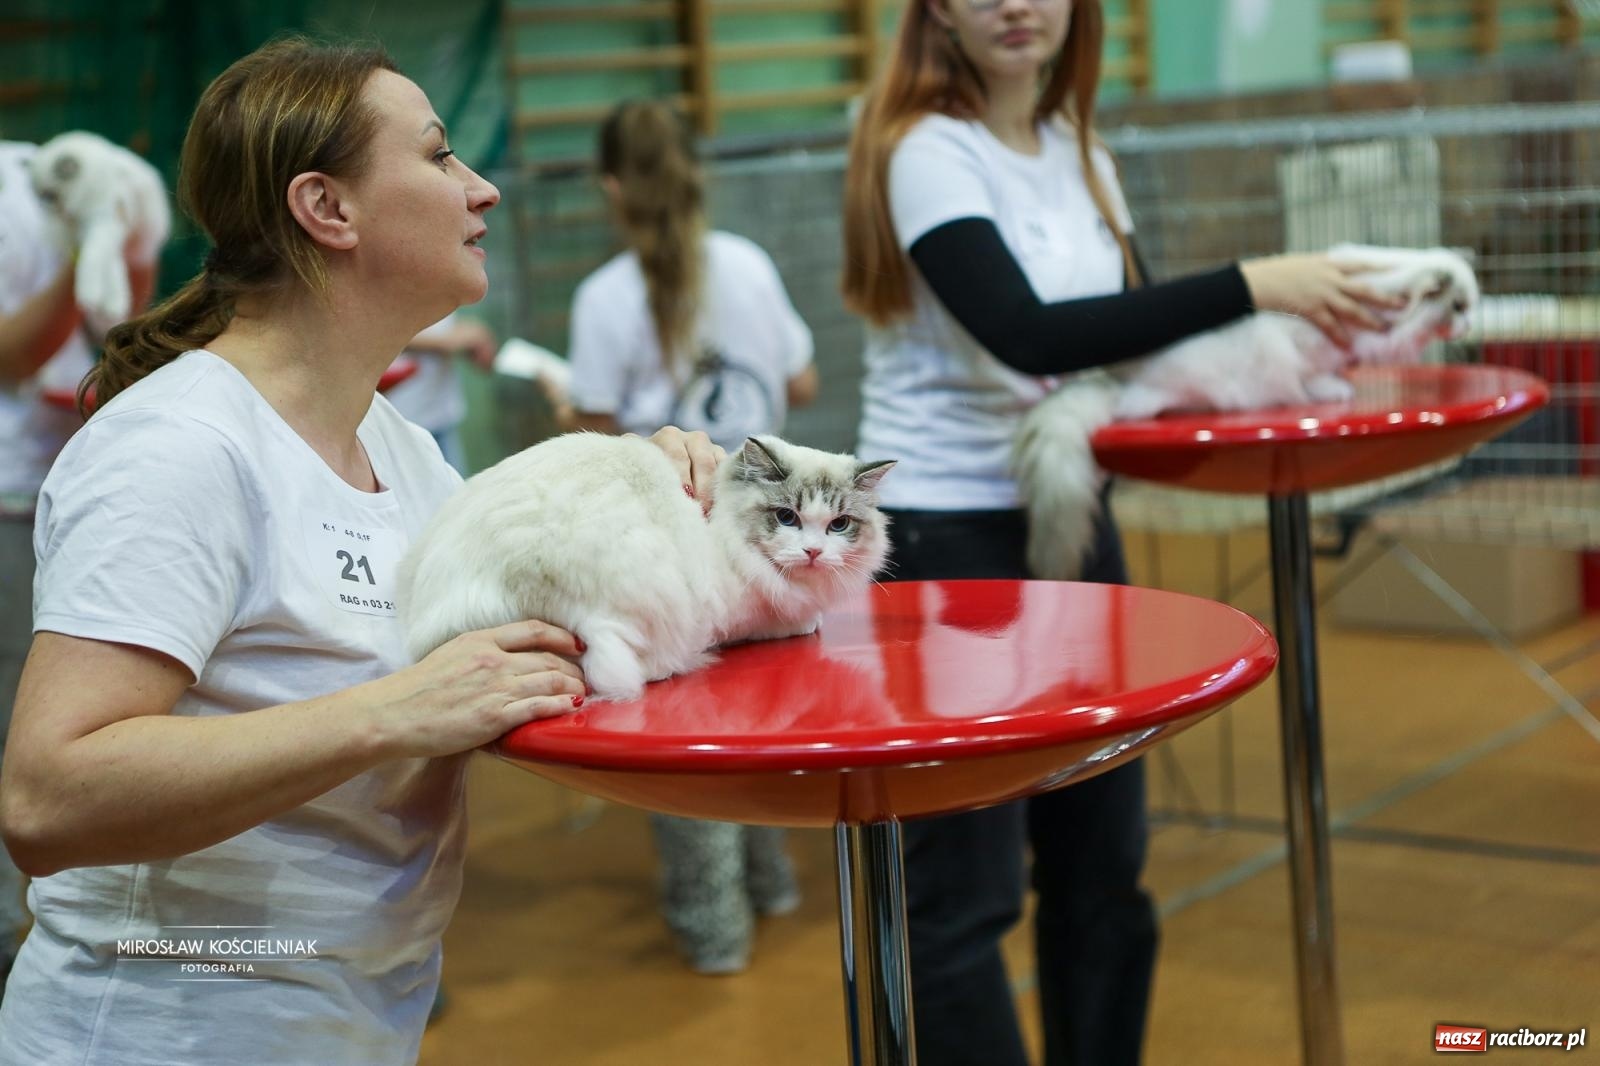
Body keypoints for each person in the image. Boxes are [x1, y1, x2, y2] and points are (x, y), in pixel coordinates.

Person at [0, 38, 722, 1066]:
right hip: (167, 1028)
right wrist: (386, 714)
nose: (480, 192)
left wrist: (643, 498)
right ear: (326, 209)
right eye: (437, 157)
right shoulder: (178, 449)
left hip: (346, 1017)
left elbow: (532, 626)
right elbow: (47, 795)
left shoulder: (404, 450)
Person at [839, 2, 1403, 1064]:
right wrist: (1254, 281)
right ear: (937, 14)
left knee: (1104, 866)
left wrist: (1277, 349)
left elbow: (1124, 346)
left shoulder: (1079, 150)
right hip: (944, 535)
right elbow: (1029, 338)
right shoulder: (926, 151)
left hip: (1071, 511)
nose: (1014, 4)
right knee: (963, 891)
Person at [554, 99, 818, 976]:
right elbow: (803, 380)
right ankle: (771, 879)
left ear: (612, 189)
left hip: (673, 544)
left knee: (686, 728)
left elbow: (596, 431)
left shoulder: (603, 297)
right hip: (768, 543)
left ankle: (714, 926)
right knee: (761, 706)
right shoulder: (746, 263)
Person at [0, 132, 158, 994]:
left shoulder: (51, 164)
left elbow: (122, 325)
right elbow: (16, 355)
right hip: (10, 490)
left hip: (73, 478)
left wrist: (113, 228)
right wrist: (82, 244)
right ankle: (14, 940)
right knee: (24, 746)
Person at [385, 312, 497, 474]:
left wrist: (468, 337)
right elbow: (383, 331)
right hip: (403, 417)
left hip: (441, 415)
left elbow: (441, 323)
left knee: (456, 494)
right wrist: (447, 341)